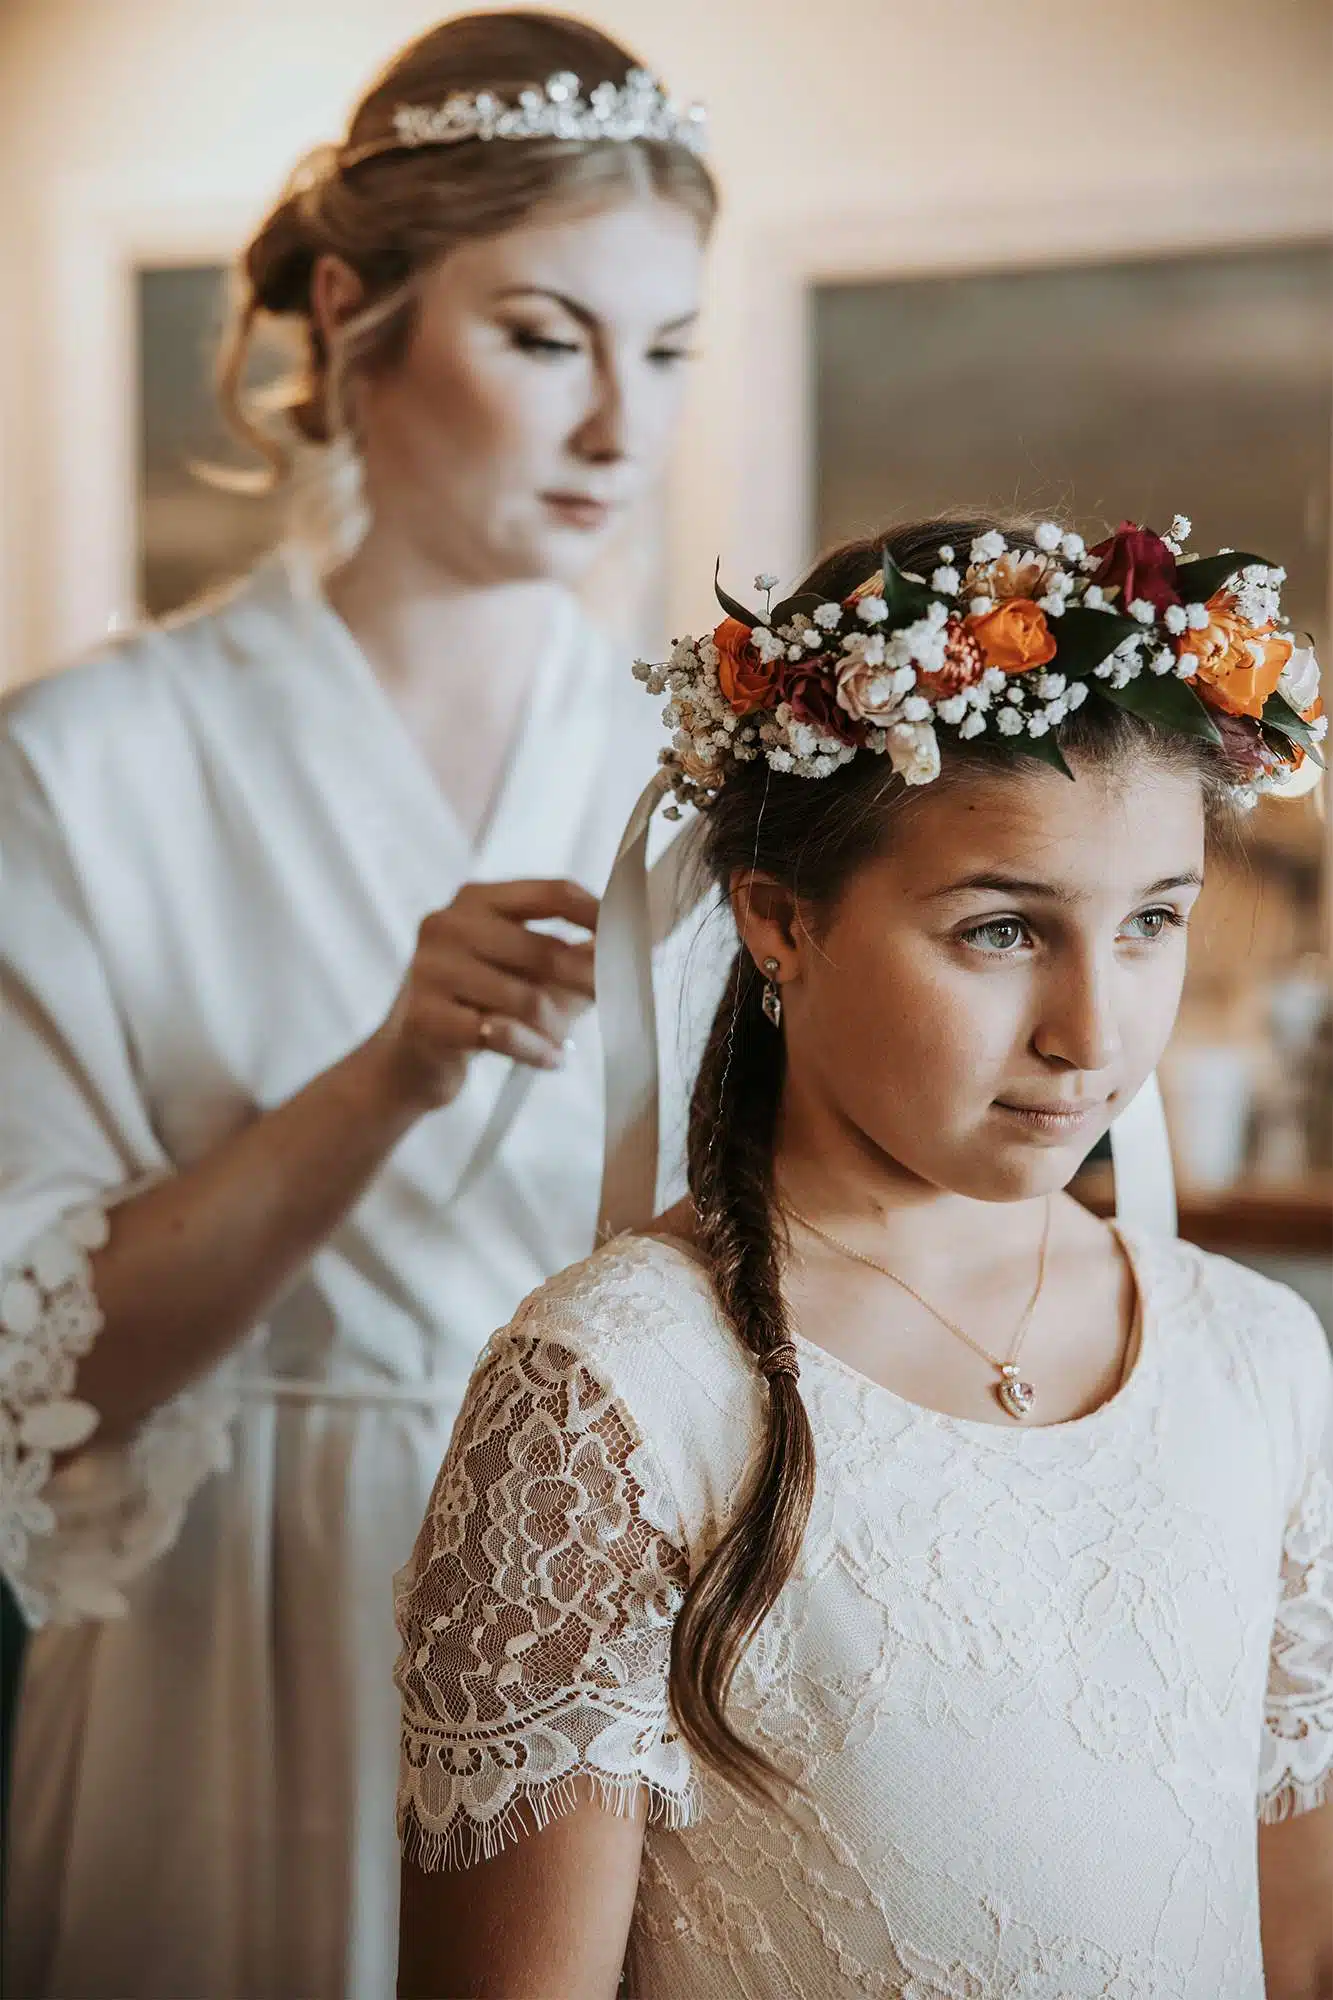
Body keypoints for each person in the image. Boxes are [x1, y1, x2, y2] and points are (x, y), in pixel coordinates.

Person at [0, 15, 716, 1998]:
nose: (619, 428)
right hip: (221, 1648)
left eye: (665, 353)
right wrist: (387, 1072)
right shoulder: (89, 764)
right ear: (355, 311)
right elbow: (41, 1367)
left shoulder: (710, 772)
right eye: (548, 337)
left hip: (610, 1657)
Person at [394, 515, 1333, 1998]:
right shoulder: (615, 1397)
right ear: (780, 922)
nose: (1096, 1036)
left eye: (1154, 921)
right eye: (1004, 932)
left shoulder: (1262, 1360)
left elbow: (1303, 1936)